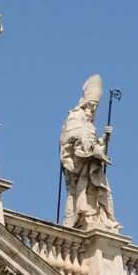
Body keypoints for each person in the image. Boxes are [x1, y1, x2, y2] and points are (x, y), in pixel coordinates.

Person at [59, 77, 119, 232]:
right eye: (90, 106)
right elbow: (71, 140)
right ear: (83, 105)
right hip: (79, 168)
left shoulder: (91, 127)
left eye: (95, 107)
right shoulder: (73, 121)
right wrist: (92, 148)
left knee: (99, 192)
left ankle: (97, 217)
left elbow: (94, 145)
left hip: (92, 167)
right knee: (78, 195)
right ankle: (85, 217)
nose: (92, 110)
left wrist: (105, 138)